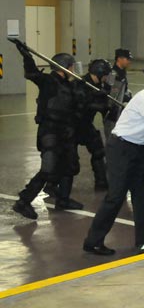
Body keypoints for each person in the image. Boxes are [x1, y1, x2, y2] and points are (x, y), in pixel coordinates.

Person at [82, 70, 144, 255]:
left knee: (141, 195)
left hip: (138, 150)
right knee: (115, 196)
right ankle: (93, 242)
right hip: (122, 148)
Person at [11, 41, 84, 219]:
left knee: (70, 164)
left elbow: (80, 103)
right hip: (50, 131)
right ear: (66, 67)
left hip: (66, 131)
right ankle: (23, 202)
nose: (74, 70)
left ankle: (63, 199)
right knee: (48, 168)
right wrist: (26, 56)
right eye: (72, 66)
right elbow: (32, 73)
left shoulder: (71, 85)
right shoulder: (48, 81)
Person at [75, 59, 112, 190]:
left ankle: (101, 182)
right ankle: (52, 184)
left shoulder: (99, 85)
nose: (107, 77)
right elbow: (81, 105)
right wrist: (96, 102)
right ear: (100, 73)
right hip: (72, 125)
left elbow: (105, 104)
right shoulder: (80, 84)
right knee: (68, 159)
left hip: (85, 124)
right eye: (106, 74)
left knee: (98, 151)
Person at [104, 48, 133, 140]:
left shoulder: (122, 71)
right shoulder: (113, 74)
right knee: (112, 138)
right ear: (119, 59)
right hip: (112, 113)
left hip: (120, 110)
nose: (129, 61)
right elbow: (109, 93)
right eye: (127, 59)